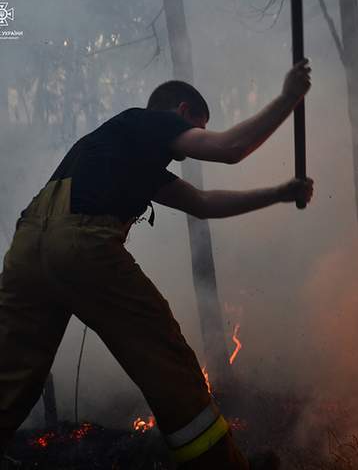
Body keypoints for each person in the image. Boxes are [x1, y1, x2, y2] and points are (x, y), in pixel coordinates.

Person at [0, 59, 313, 469]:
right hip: (80, 243)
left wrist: (277, 193)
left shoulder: (123, 149)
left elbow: (202, 203)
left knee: (12, 370)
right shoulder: (152, 122)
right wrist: (288, 98)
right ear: (181, 113)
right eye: (196, 128)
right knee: (168, 361)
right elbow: (229, 150)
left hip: (27, 248)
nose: (186, 152)